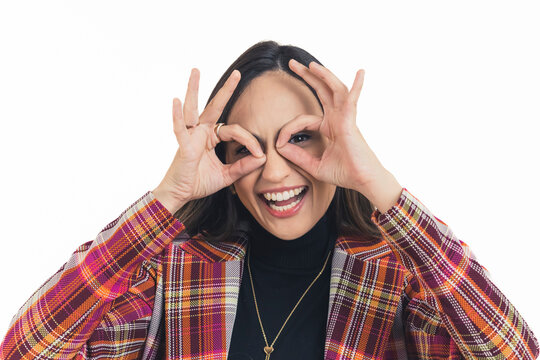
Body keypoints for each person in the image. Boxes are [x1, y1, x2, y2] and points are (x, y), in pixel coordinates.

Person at [0, 40, 538, 360]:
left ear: (337, 139)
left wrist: (379, 185)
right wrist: (169, 198)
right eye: (247, 146)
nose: (275, 170)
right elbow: (24, 351)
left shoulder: (398, 281)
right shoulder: (174, 276)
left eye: (299, 137)